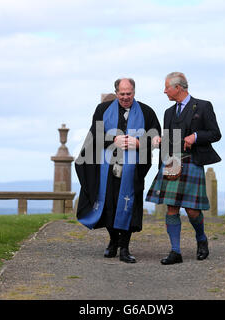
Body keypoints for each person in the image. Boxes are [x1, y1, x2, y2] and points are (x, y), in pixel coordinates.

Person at [75, 78, 161, 263]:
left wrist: (139, 143)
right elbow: (94, 136)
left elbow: (156, 138)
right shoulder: (102, 110)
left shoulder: (147, 112)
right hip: (107, 170)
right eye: (121, 94)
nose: (125, 97)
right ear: (116, 93)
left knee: (128, 205)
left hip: (133, 171)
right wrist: (113, 140)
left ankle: (125, 248)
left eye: (128, 93)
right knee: (109, 206)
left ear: (134, 92)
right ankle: (113, 241)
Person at [146, 72, 221, 265]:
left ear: (178, 88)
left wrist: (195, 137)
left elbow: (215, 133)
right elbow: (169, 139)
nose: (164, 91)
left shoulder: (203, 106)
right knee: (171, 207)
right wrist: (160, 141)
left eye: (167, 88)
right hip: (172, 162)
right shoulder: (168, 112)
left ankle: (201, 239)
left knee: (192, 210)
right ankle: (175, 251)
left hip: (192, 161)